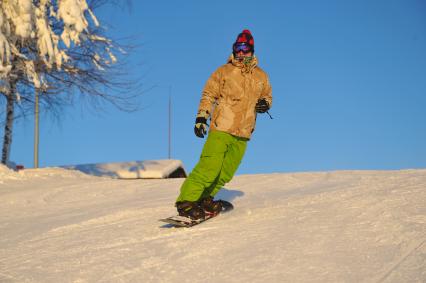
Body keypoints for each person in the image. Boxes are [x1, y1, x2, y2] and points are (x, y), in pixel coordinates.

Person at [175, 29, 272, 220]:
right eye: (237, 48)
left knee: (226, 172)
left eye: (244, 48)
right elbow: (208, 94)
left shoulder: (261, 76)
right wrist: (202, 118)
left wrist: (265, 104)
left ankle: (204, 198)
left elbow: (267, 96)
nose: (241, 52)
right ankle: (186, 201)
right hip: (222, 127)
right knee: (209, 167)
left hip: (243, 132)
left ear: (251, 50)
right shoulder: (224, 71)